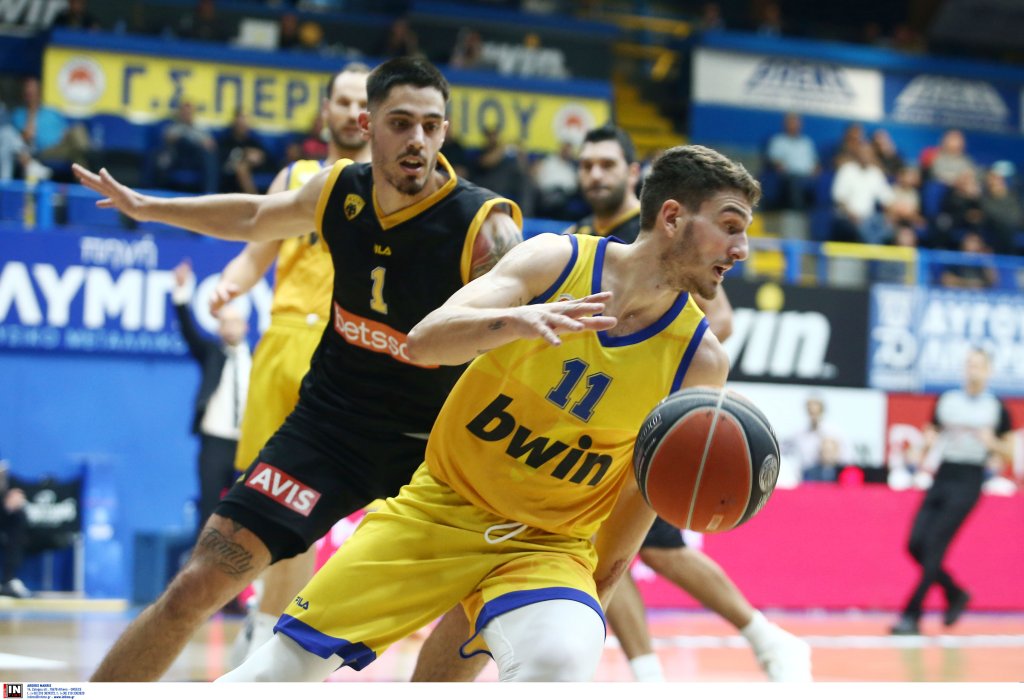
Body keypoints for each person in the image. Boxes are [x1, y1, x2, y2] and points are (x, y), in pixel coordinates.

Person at [216, 143, 757, 683]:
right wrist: (516, 322)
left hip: (546, 546)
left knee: (562, 656)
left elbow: (636, 496)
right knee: (275, 674)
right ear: (671, 217)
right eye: (730, 226)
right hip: (441, 510)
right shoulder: (556, 260)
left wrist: (598, 596)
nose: (742, 249)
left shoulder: (700, 362)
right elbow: (424, 342)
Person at [73, 56, 524, 681]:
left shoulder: (484, 227)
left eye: (430, 125)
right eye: (400, 123)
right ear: (367, 125)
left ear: (445, 130)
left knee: (473, 608)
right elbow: (255, 218)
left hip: (434, 446)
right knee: (195, 585)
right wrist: (153, 208)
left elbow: (517, 345)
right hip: (330, 428)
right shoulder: (338, 190)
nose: (417, 140)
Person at [567, 124, 811, 682]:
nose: (595, 175)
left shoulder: (665, 233)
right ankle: (650, 673)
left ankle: (766, 637)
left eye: (607, 164)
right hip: (592, 415)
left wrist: (652, 358)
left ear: (633, 174)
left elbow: (719, 320)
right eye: (586, 165)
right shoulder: (580, 238)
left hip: (647, 413)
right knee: (594, 547)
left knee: (658, 550)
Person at [214, 63, 372, 667]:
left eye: (363, 102)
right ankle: (263, 623)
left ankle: (275, 634)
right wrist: (229, 287)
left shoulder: (386, 184)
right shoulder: (296, 176)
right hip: (280, 342)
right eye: (344, 100)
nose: (353, 111)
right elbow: (255, 254)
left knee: (308, 502)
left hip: (342, 346)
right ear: (326, 110)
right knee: (264, 498)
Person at [891, 348, 1014, 635]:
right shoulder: (948, 401)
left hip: (970, 478)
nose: (973, 370)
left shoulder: (996, 408)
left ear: (989, 371)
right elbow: (931, 432)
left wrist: (992, 444)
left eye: (979, 365)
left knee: (936, 546)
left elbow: (1009, 452)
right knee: (915, 544)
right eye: (969, 364)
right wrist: (922, 447)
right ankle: (955, 592)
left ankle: (912, 614)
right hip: (943, 474)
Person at [172, 259, 251, 532]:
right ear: (219, 329)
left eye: (235, 322)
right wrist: (181, 293)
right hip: (215, 443)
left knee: (246, 512)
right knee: (209, 512)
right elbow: (188, 331)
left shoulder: (257, 359)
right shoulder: (212, 355)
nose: (231, 327)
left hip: (247, 443)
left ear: (245, 326)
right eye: (225, 323)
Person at [766, 113, 819, 211]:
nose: (794, 125)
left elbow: (815, 163)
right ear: (785, 124)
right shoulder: (778, 141)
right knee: (795, 183)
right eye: (791, 123)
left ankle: (816, 214)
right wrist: (780, 167)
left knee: (821, 182)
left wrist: (816, 171)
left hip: (808, 176)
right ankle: (798, 213)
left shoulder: (806, 142)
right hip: (788, 175)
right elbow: (774, 160)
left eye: (796, 123)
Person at [0, 457, 31, 599]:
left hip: (6, 529)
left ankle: (8, 580)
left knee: (17, 527)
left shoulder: (12, 486)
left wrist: (10, 507)